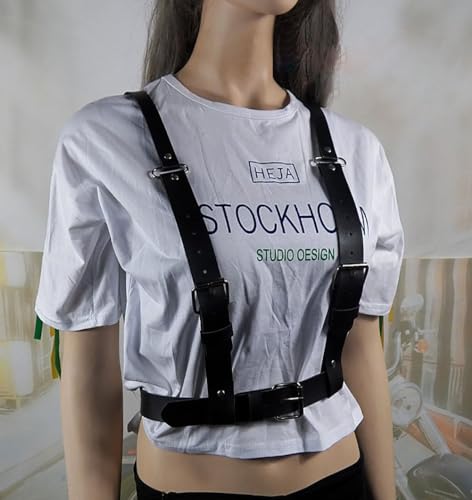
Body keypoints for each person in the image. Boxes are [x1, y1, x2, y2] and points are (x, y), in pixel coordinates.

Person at [34, 0, 404, 498]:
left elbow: (359, 345)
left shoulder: (357, 151)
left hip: (339, 479)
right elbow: (90, 361)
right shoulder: (104, 139)